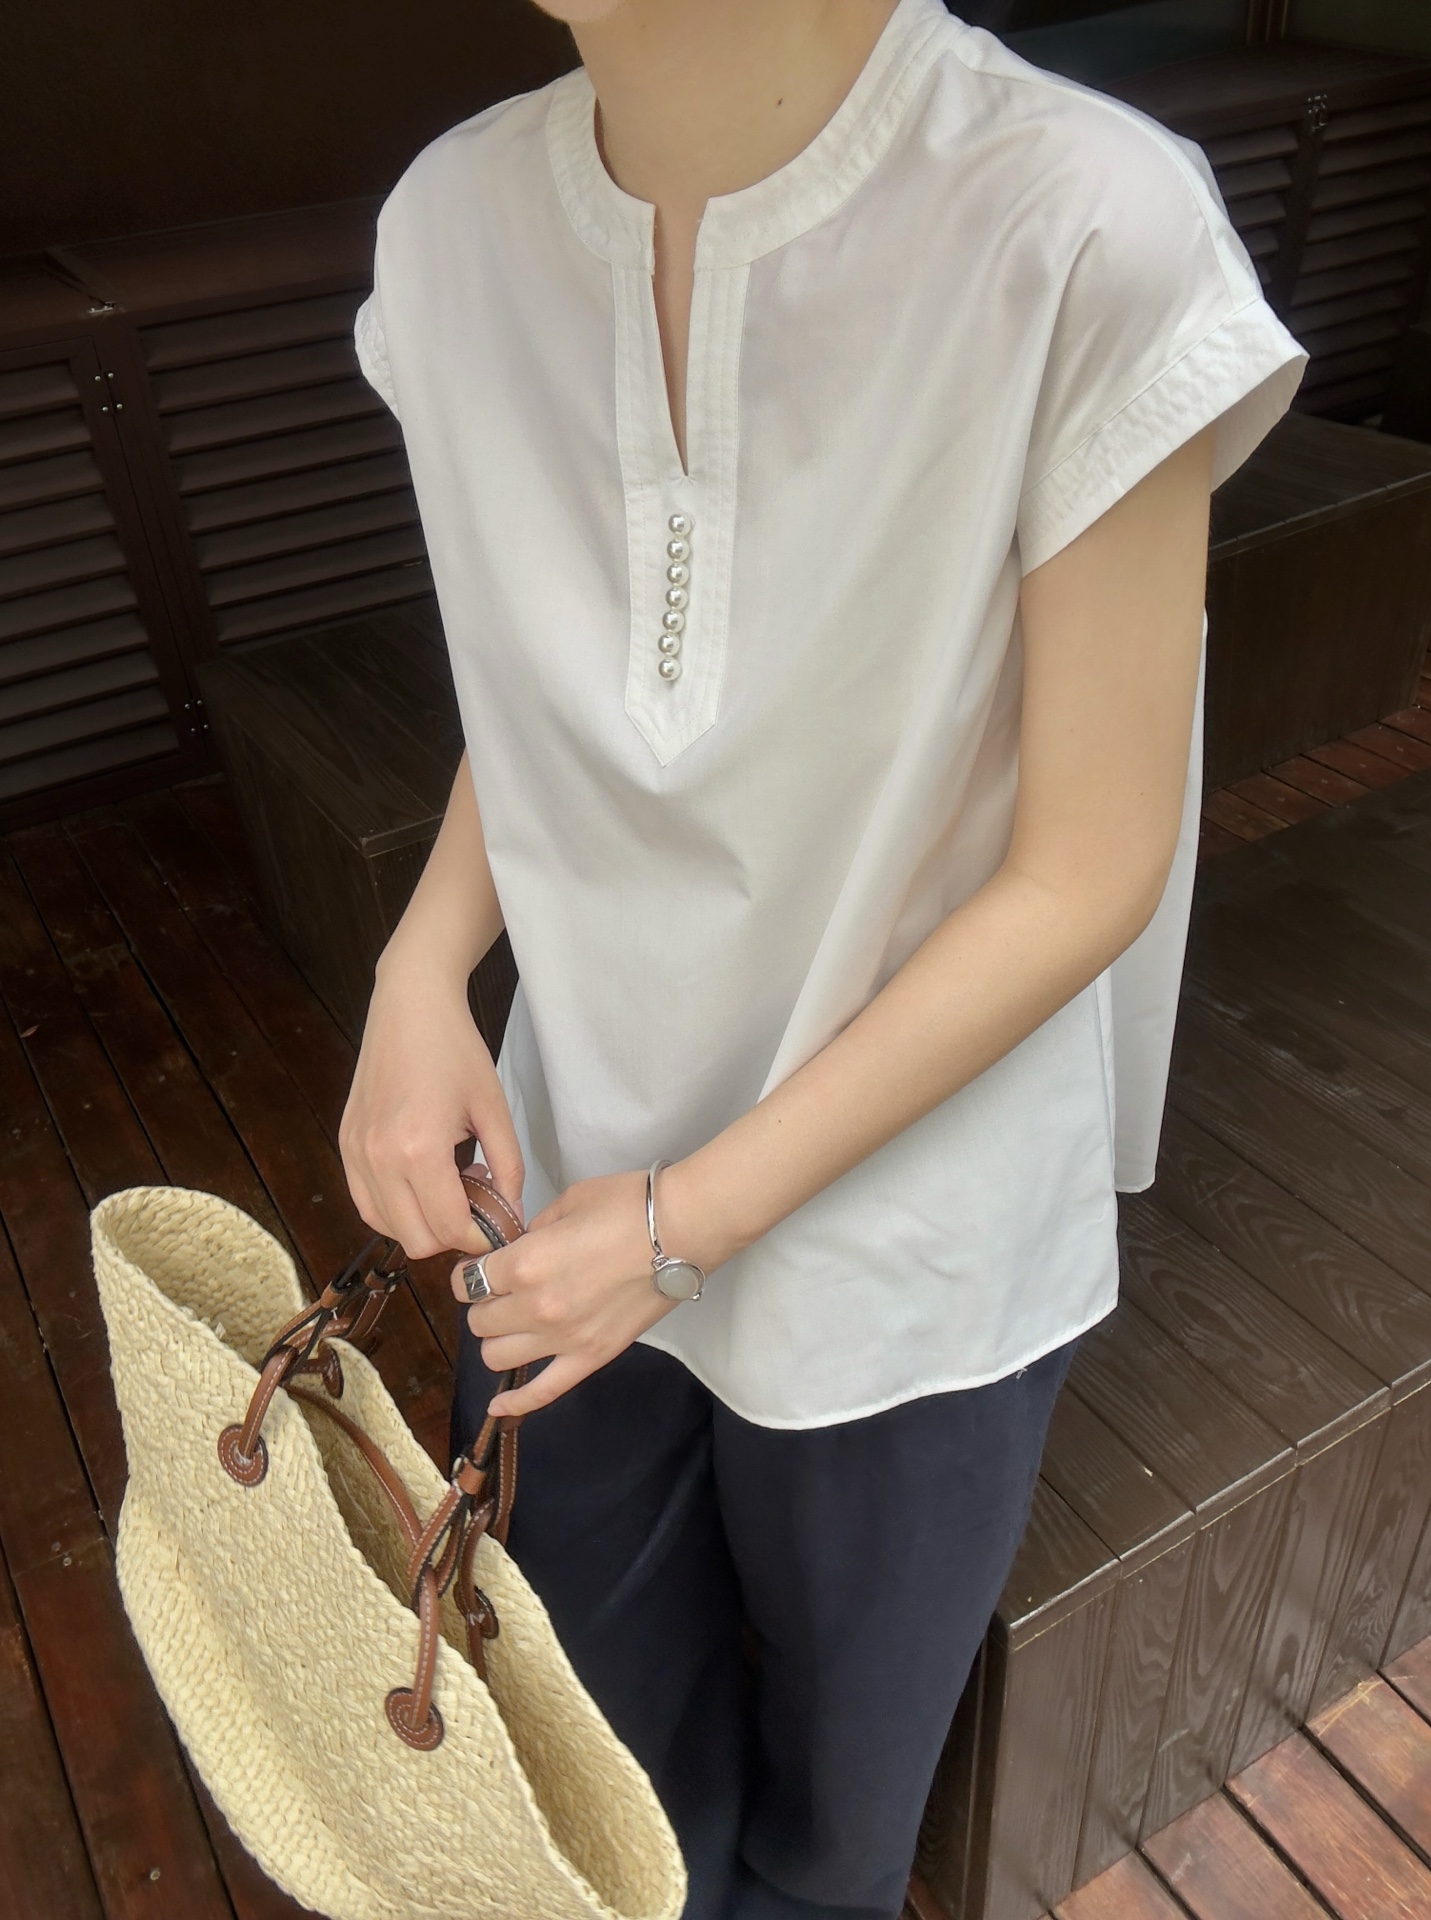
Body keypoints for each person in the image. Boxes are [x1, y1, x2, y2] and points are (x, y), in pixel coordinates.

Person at [341, 2, 1305, 1914]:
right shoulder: (450, 226)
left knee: (834, 1833)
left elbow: (1090, 865)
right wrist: (422, 964)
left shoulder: (1082, 222)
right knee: (590, 1775)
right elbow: (559, 665)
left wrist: (687, 1223)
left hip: (910, 1234)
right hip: (565, 1169)